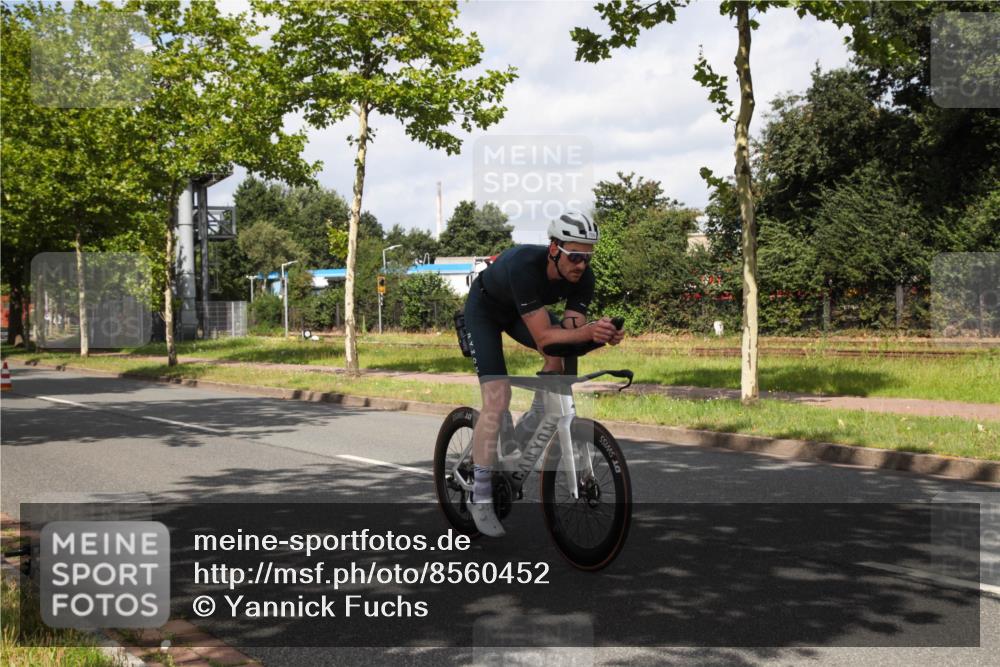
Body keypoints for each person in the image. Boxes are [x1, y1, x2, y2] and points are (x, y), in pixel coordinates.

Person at [461, 211, 624, 536]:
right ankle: (480, 496)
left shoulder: (583, 278)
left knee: (559, 360)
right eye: (575, 256)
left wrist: (599, 337)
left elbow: (571, 336)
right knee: (497, 398)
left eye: (587, 258)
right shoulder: (525, 265)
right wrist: (588, 333)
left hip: (521, 313)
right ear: (554, 249)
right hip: (485, 312)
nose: (581, 265)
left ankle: (538, 413)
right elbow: (546, 337)